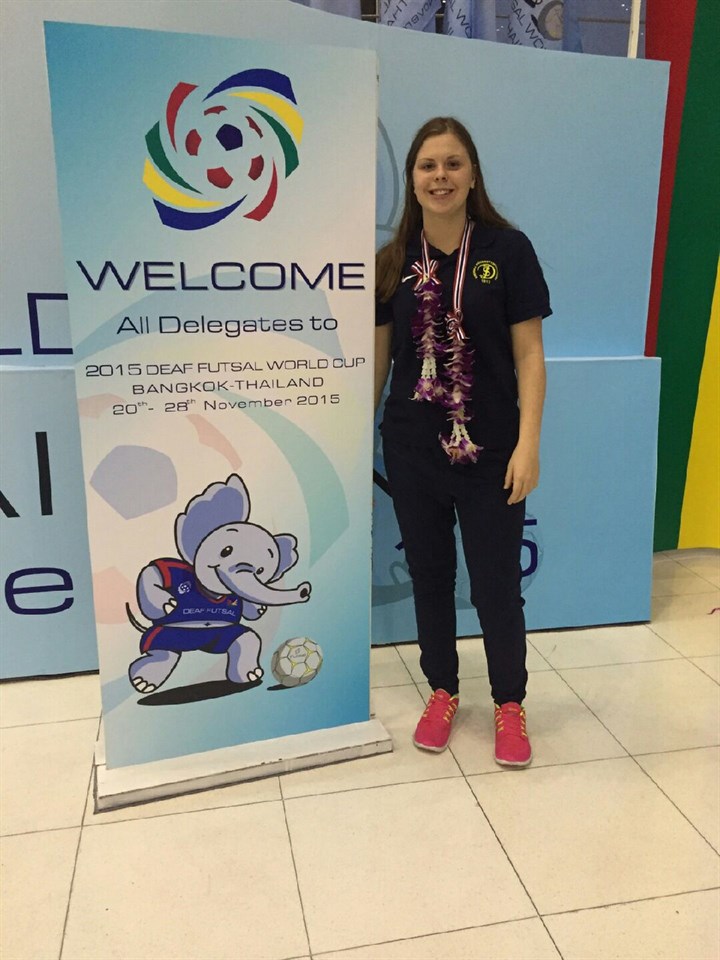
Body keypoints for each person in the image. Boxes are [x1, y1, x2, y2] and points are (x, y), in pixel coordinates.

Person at [375, 117, 551, 767]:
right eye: (427, 166)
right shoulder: (392, 263)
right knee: (429, 576)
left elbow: (529, 356)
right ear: (412, 179)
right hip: (411, 450)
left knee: (496, 585)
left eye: (452, 164)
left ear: (472, 174)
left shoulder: (508, 251)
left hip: (491, 452)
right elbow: (378, 364)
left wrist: (528, 445)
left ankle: (510, 703)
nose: (440, 177)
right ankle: (443, 690)